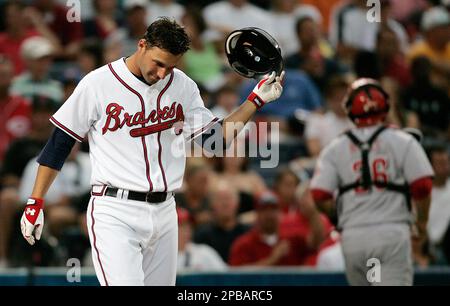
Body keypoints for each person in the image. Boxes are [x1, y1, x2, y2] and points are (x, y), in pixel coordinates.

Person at [18, 18, 284, 286]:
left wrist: (255, 101)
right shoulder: (97, 83)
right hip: (115, 210)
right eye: (158, 63)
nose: (162, 74)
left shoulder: (183, 86)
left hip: (166, 210)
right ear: (142, 45)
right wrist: (35, 201)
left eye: (170, 66)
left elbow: (214, 141)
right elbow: (58, 144)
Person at [310, 78, 434, 286]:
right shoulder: (403, 140)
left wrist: (338, 217)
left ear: (350, 109)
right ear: (385, 106)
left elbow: (319, 195)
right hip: (392, 232)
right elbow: (422, 186)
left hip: (353, 236)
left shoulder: (336, 147)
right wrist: (420, 224)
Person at [177, 207, 227, 272]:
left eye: (189, 226)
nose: (186, 231)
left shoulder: (204, 252)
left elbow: (226, 276)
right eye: (181, 226)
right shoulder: (161, 255)